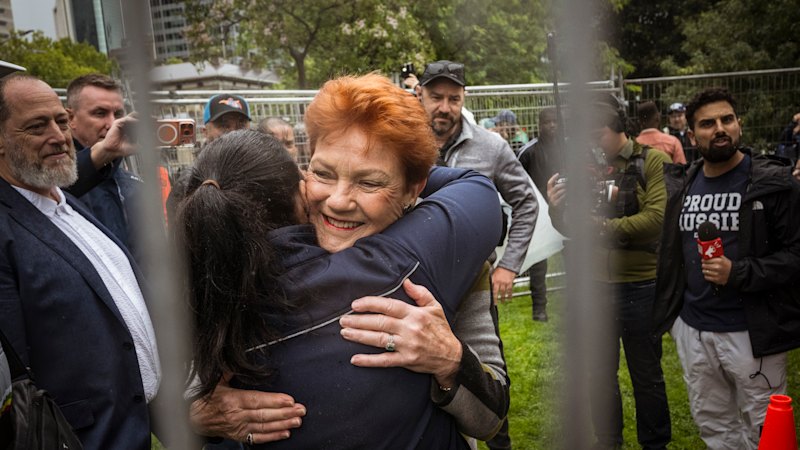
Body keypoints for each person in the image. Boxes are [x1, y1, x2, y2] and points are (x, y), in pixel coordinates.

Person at [185, 74, 509, 448]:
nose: (338, 200)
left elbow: (491, 417)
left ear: (414, 187)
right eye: (323, 173)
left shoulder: (458, 259)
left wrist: (450, 361)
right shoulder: (245, 259)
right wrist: (199, 409)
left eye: (369, 182)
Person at [0, 73, 161, 449]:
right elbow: (16, 381)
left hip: (135, 427)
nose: (58, 136)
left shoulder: (62, 199)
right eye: (36, 127)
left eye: (59, 120)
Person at [653, 87, 800, 450]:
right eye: (707, 123)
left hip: (752, 333)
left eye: (727, 119)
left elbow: (796, 256)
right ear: (691, 135)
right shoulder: (683, 185)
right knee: (715, 426)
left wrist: (739, 272)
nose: (719, 128)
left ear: (739, 125)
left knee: (766, 429)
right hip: (694, 332)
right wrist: (676, 323)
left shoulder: (774, 184)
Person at [548, 99, 672, 450]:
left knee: (646, 375)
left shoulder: (653, 162)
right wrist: (557, 210)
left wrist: (599, 225)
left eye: (596, 133)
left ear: (619, 127)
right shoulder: (586, 168)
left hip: (640, 285)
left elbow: (657, 220)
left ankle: (655, 443)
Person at [414, 60, 537, 305]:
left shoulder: (492, 147)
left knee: (481, 345)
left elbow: (526, 203)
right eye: (436, 97)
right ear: (419, 93)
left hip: (474, 285)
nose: (445, 108)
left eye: (454, 99)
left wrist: (509, 265)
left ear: (464, 97)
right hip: (413, 278)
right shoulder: (399, 144)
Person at [65, 73, 144, 256]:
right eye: (99, 113)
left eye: (118, 114)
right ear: (70, 118)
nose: (112, 123)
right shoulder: (52, 184)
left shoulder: (133, 182)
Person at [517, 107, 562, 322]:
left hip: (566, 212)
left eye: (555, 121)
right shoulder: (528, 152)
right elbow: (516, 182)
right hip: (539, 215)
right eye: (547, 122)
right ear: (539, 124)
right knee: (539, 261)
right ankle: (539, 309)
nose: (552, 126)